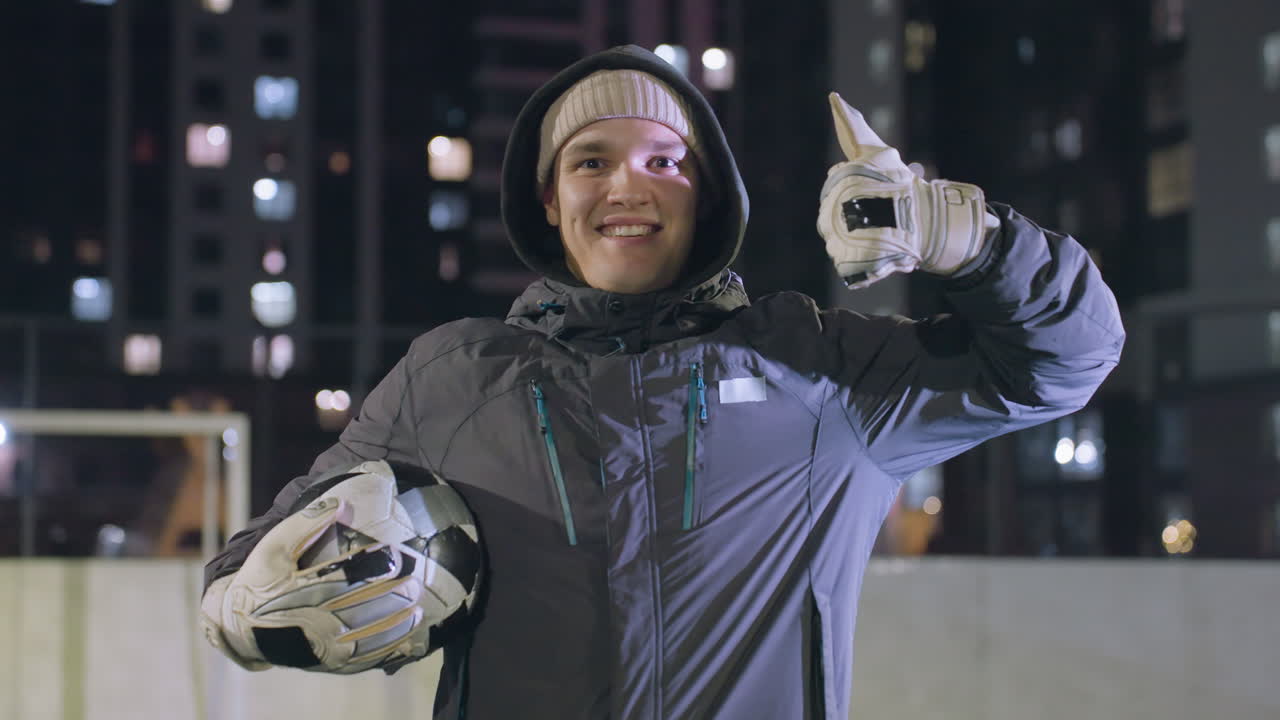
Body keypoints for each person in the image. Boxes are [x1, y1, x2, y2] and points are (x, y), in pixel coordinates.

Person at [202, 44, 1124, 719]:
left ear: (708, 194)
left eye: (664, 161)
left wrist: (969, 240)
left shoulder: (821, 370)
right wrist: (256, 608)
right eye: (590, 162)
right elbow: (253, 564)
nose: (627, 186)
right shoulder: (450, 378)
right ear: (550, 202)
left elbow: (1063, 359)